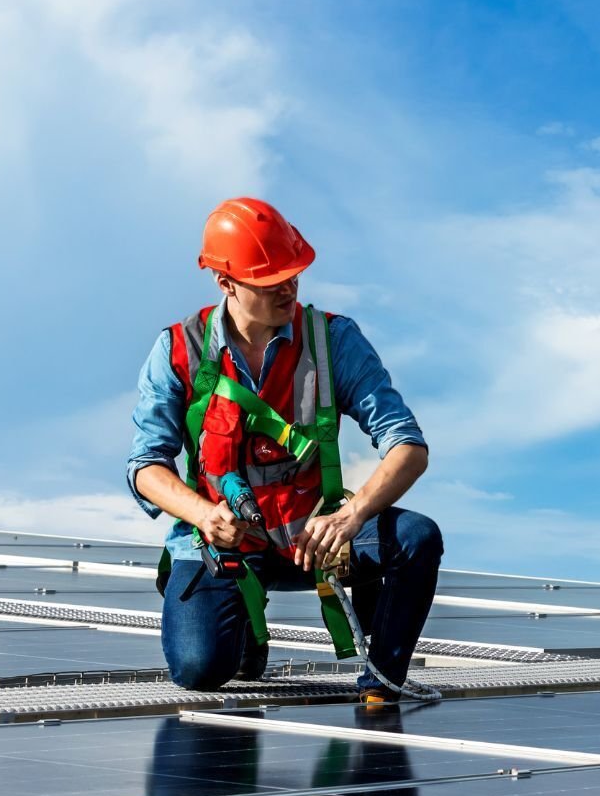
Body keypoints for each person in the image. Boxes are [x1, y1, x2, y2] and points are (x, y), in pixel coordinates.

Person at [126, 197, 441, 703]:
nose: (288, 288)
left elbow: (408, 444)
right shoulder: (177, 350)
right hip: (222, 545)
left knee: (417, 537)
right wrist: (206, 516)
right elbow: (146, 467)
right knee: (199, 669)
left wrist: (352, 515)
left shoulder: (333, 339)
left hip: (315, 539)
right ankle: (243, 634)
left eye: (294, 275)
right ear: (225, 282)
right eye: (270, 280)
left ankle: (381, 681)